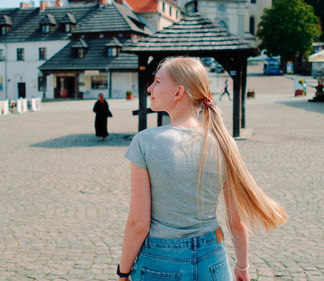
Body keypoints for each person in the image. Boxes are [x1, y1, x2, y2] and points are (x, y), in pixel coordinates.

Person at [117, 57, 287, 281]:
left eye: (157, 81)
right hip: (213, 261)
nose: (150, 88)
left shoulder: (146, 141)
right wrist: (242, 267)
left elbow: (138, 223)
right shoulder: (224, 142)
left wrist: (123, 271)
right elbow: (236, 221)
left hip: (161, 261)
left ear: (178, 92)